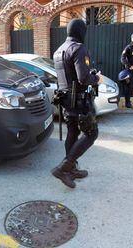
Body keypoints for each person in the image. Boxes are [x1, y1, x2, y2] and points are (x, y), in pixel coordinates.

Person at [51, 19, 100, 189]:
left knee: (72, 132)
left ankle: (70, 169)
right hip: (78, 101)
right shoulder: (78, 48)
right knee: (92, 133)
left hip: (65, 100)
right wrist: (96, 78)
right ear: (80, 31)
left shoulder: (58, 50)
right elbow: (83, 78)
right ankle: (64, 168)